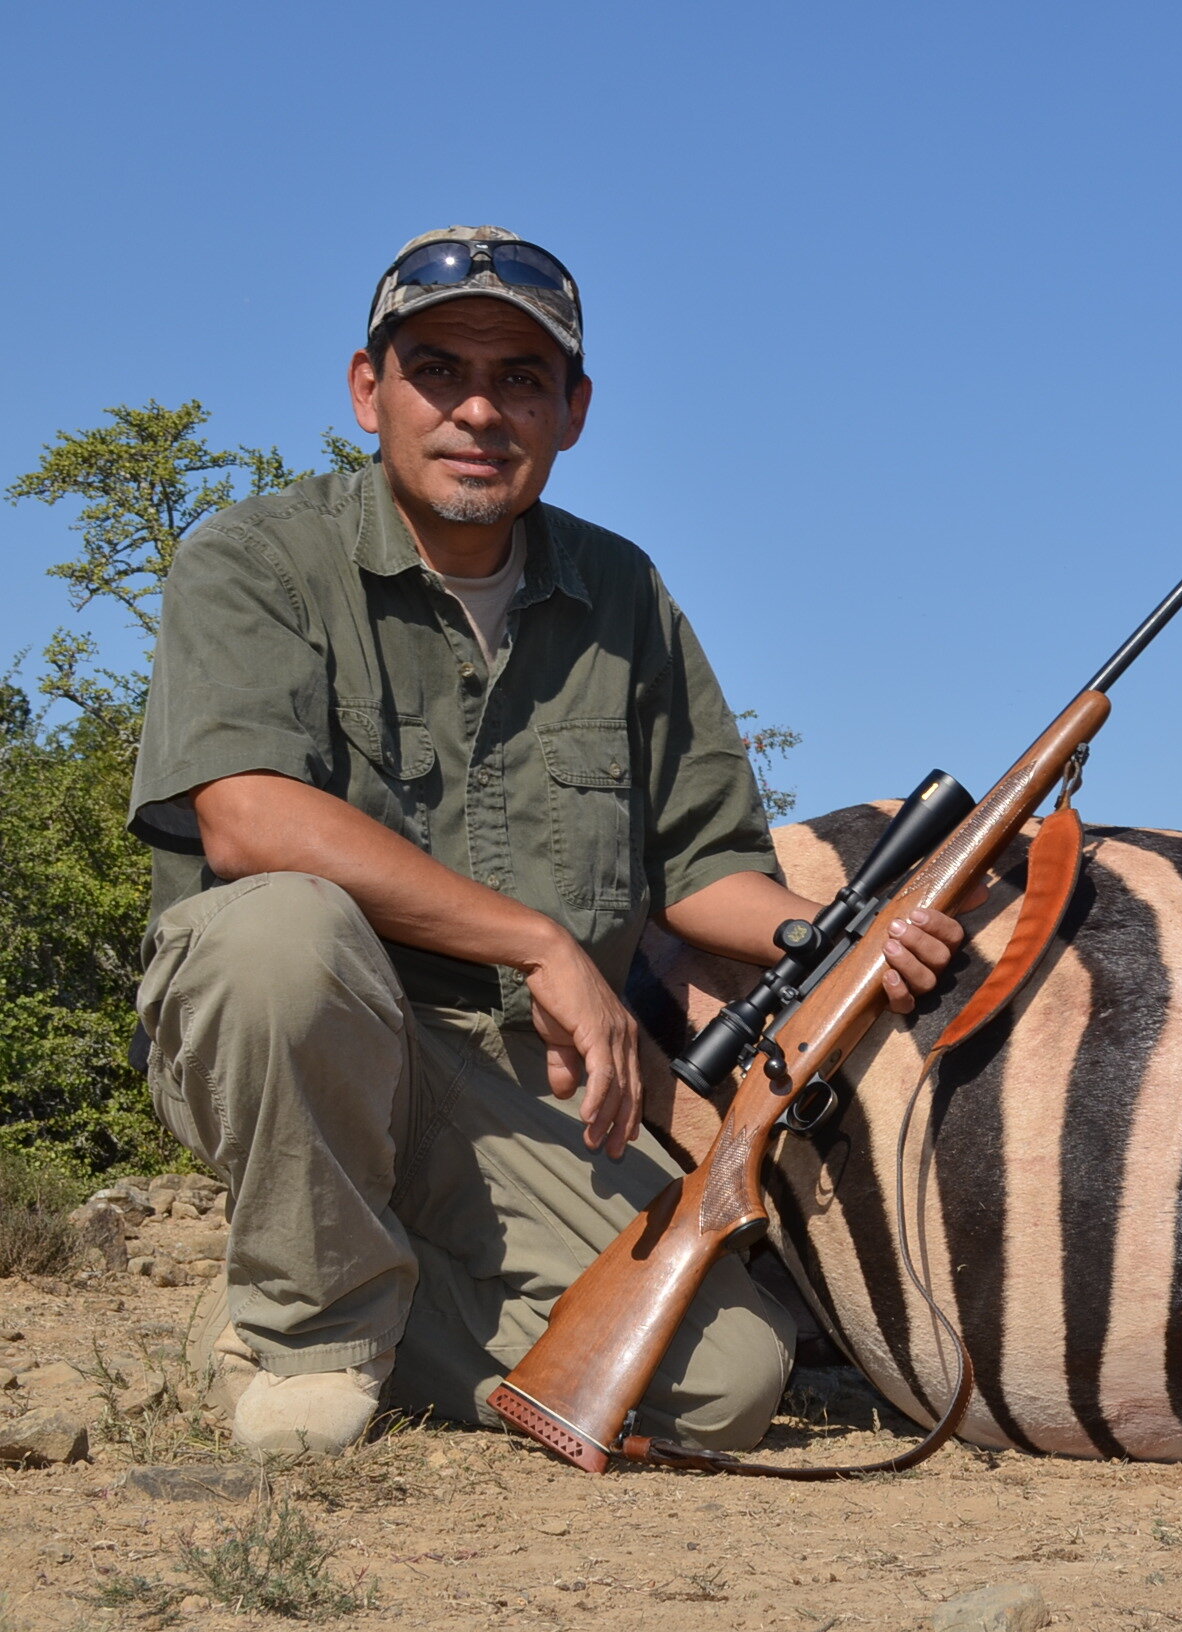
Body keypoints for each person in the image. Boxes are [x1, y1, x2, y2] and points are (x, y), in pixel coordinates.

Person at [129, 226, 970, 1457]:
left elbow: (703, 870)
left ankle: (292, 1290)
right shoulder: (256, 557)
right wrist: (539, 944)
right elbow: (246, 820)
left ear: (573, 410)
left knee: (730, 1384)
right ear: (369, 391)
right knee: (285, 933)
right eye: (439, 371)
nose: (480, 411)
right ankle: (309, 1337)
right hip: (305, 1036)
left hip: (524, 1080)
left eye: (522, 378)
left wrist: (827, 936)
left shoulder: (623, 590)